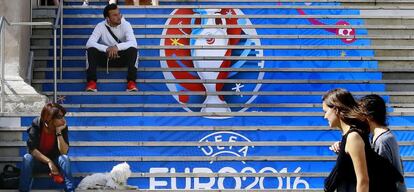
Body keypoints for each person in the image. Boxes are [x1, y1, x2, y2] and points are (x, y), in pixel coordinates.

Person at [331, 94, 407, 191]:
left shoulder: (382, 140)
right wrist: (346, 149)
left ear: (369, 116)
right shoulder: (383, 137)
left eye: (360, 113)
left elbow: (381, 176)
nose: (357, 117)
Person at [322, 88, 370, 192]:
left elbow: (363, 181)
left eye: (325, 112)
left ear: (336, 109)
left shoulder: (353, 137)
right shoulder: (348, 137)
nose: (325, 116)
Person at [19, 103, 74, 192]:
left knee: (65, 159)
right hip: (38, 162)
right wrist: (49, 162)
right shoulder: (37, 124)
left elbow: (64, 152)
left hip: (56, 162)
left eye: (63, 116)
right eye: (60, 117)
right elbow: (32, 150)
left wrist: (58, 132)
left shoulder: (62, 127)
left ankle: (70, 190)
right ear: (49, 118)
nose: (64, 120)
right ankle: (23, 190)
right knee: (27, 158)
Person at [85, 3, 138, 92]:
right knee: (91, 50)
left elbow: (133, 43)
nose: (119, 16)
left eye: (119, 13)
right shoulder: (100, 26)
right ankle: (91, 82)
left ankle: (131, 82)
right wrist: (107, 49)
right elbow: (89, 43)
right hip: (106, 58)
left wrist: (117, 47)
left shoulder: (126, 24)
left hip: (121, 58)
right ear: (107, 18)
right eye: (115, 15)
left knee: (133, 50)